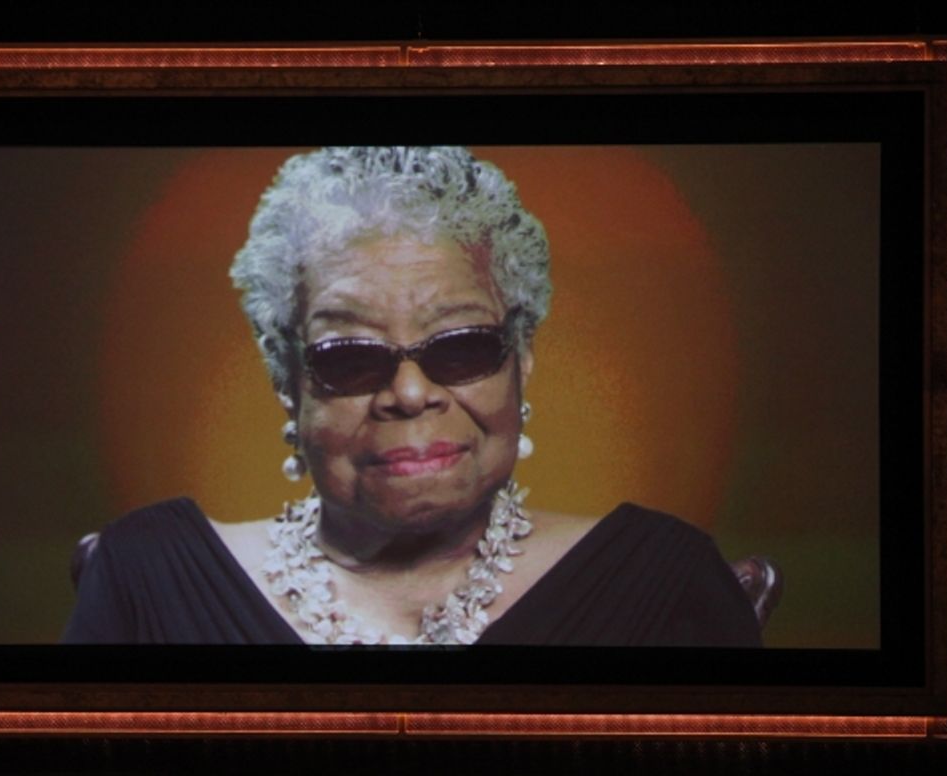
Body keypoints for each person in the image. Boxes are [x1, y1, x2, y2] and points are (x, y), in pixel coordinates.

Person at [63, 146, 762, 646]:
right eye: (349, 357)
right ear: (286, 380)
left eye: (460, 348)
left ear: (520, 358)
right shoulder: (146, 575)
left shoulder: (662, 578)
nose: (408, 393)